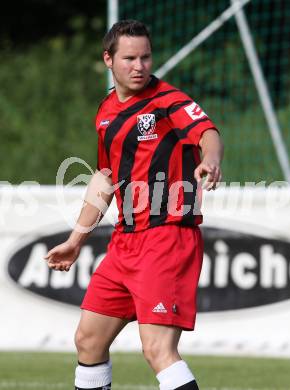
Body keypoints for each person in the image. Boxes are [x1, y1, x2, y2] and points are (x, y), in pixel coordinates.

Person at [45, 20, 223, 390]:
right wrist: (76, 240)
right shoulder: (106, 110)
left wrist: (211, 159)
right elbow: (105, 177)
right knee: (88, 340)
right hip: (125, 243)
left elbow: (207, 132)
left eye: (145, 57)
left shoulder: (168, 100)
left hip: (167, 237)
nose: (140, 66)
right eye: (129, 58)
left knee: (158, 350)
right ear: (108, 59)